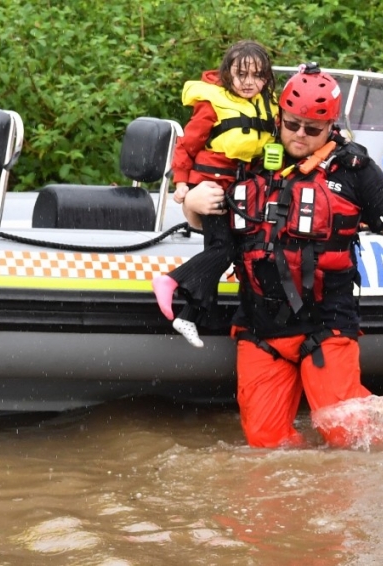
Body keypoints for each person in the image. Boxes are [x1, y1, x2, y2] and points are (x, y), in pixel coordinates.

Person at [181, 63, 383, 448]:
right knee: (267, 447)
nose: (299, 135)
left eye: (312, 129)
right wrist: (193, 203)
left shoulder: (354, 169)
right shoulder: (247, 154)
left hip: (326, 322)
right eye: (292, 124)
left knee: (345, 436)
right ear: (280, 116)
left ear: (330, 126)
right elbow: (208, 223)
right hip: (260, 322)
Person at [151, 39, 278, 348]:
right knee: (223, 250)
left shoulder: (269, 106)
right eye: (241, 74)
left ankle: (189, 316)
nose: (249, 83)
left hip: (239, 190)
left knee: (224, 253)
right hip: (211, 186)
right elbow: (187, 145)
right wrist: (182, 184)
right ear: (227, 73)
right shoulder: (212, 104)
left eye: (258, 75)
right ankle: (171, 280)